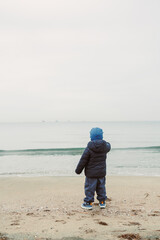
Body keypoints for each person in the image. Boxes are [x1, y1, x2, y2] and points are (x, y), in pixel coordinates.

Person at [75, 127, 111, 210]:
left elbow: (83, 160)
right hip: (101, 173)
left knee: (90, 189)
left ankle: (88, 203)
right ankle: (102, 202)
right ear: (102, 136)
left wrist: (78, 170)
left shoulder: (89, 148)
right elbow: (109, 146)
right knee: (101, 187)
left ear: (91, 136)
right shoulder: (105, 147)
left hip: (91, 174)